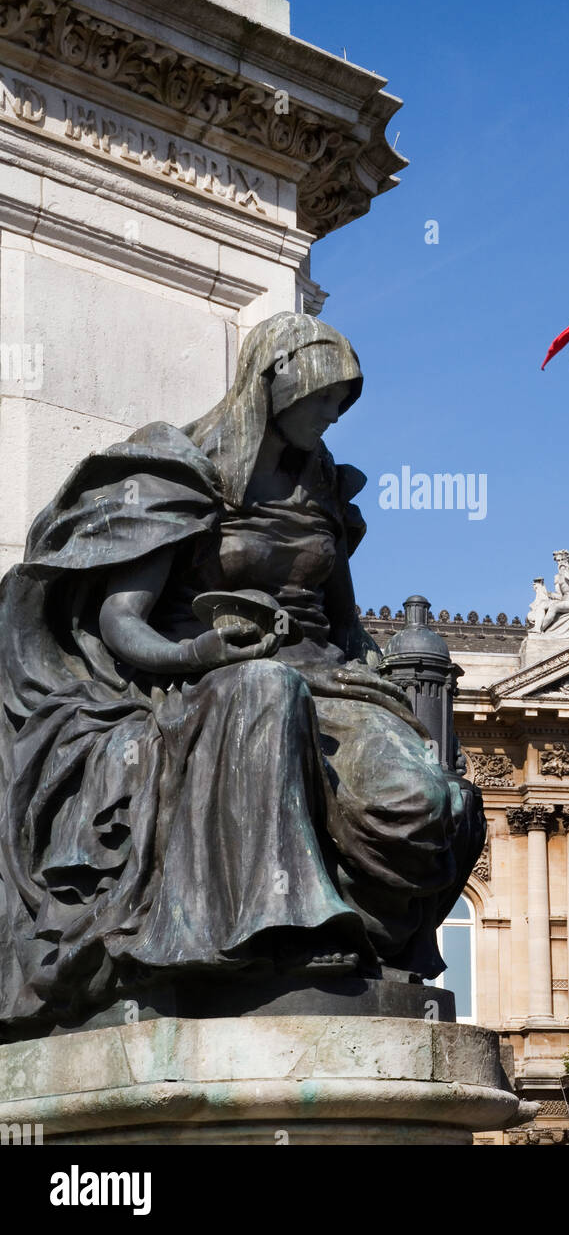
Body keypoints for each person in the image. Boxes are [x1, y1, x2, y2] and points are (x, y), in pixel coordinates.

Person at [0, 314, 483, 1029]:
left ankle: (371, 943)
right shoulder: (180, 472)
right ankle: (277, 931)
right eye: (322, 397)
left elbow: (344, 623)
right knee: (266, 690)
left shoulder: (320, 488)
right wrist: (202, 653)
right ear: (272, 380)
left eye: (342, 403)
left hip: (331, 680)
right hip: (198, 678)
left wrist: (381, 684)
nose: (332, 415)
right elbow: (121, 624)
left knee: (423, 794)